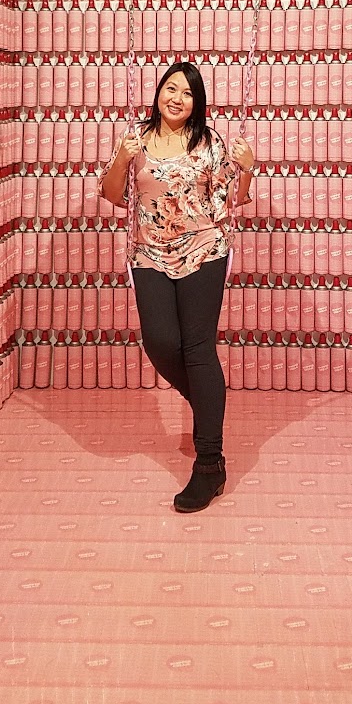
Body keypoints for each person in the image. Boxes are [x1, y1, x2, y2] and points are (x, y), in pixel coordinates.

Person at [99, 61, 255, 512]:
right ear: (158, 93)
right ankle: (206, 399)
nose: (177, 98)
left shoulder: (209, 142)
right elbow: (113, 194)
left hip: (204, 249)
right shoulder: (136, 139)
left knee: (198, 349)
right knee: (161, 342)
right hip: (149, 253)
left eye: (187, 93)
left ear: (197, 102)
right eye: (171, 88)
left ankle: (210, 464)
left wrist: (247, 169)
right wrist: (122, 158)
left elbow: (234, 199)